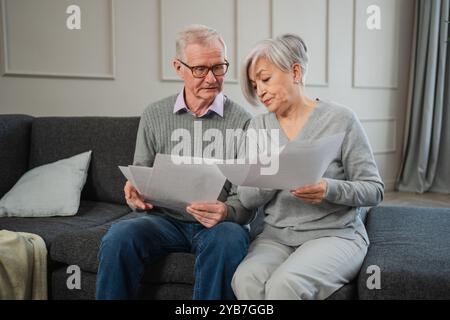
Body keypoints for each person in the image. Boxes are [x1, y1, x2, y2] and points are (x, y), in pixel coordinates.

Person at [96, 25, 253, 300]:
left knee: (229, 239)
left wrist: (226, 212)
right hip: (165, 221)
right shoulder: (154, 114)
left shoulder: (243, 121)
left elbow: (247, 201)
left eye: (219, 67)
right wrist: (135, 195)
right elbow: (141, 176)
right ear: (178, 67)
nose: (212, 78)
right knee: (119, 236)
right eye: (200, 69)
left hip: (219, 226)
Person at [231, 34, 384, 300]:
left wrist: (329, 189)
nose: (260, 91)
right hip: (276, 237)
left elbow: (374, 190)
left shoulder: (341, 119)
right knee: (245, 279)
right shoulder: (258, 127)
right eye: (255, 85)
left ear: (296, 71)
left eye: (265, 79)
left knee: (284, 285)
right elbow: (245, 197)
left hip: (335, 235)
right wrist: (274, 174)